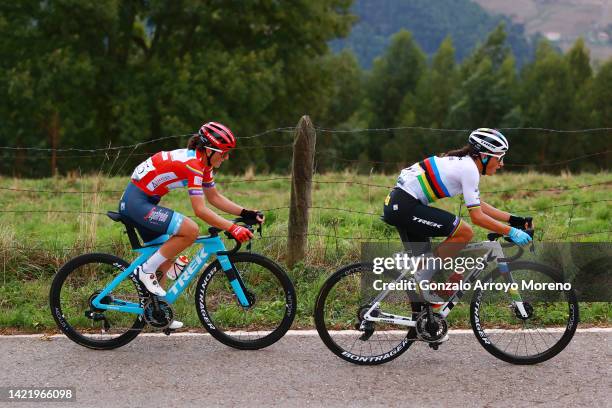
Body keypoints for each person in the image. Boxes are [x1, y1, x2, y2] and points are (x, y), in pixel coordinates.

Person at [119, 122, 264, 329]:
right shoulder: (193, 165)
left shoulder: (203, 164)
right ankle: (145, 271)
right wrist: (232, 228)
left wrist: (246, 213)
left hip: (144, 202)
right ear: (209, 150)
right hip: (137, 204)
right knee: (190, 230)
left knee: (165, 258)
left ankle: (158, 313)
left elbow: (213, 197)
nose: (226, 157)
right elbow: (200, 210)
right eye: (223, 153)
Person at [382, 128, 532, 309]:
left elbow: (478, 204)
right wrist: (511, 231)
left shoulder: (465, 164)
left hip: (401, 205)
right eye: (499, 157)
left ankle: (427, 326)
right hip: (405, 206)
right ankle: (421, 278)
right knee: (464, 232)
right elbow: (477, 217)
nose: (501, 164)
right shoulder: (469, 169)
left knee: (430, 282)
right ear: (484, 156)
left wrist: (513, 219)